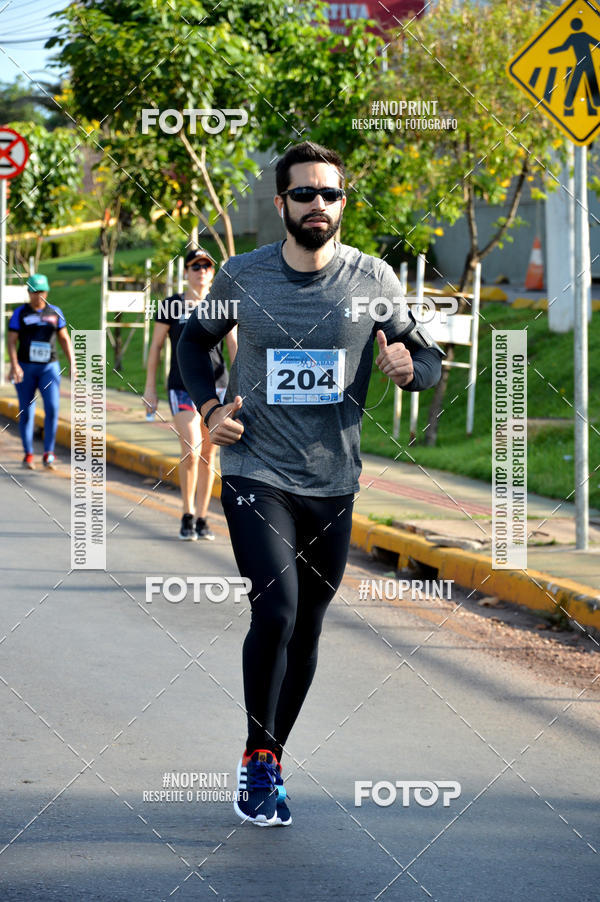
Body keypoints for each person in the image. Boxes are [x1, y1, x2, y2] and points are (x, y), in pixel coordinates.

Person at [177, 141, 444, 826]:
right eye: (304, 194)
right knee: (278, 612)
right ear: (281, 203)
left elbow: (428, 355)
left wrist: (412, 368)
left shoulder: (372, 279)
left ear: (342, 203)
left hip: (333, 481)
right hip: (253, 470)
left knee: (310, 628)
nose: (318, 205)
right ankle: (259, 764)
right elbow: (192, 345)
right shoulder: (244, 276)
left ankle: (271, 752)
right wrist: (210, 411)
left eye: (330, 194)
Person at [144, 247, 237, 540]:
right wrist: (149, 387)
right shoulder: (171, 306)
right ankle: (185, 513)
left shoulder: (221, 305)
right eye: (195, 267)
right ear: (186, 272)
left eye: (207, 267)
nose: (201, 272)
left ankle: (202, 517)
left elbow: (233, 345)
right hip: (182, 386)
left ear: (213, 273)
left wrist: (242, 384)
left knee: (210, 452)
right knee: (192, 448)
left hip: (218, 386)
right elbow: (157, 347)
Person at [8, 273, 75, 470]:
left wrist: (73, 363)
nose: (38, 296)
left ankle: (48, 453)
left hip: (49, 368)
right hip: (26, 368)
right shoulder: (20, 313)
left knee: (52, 409)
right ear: (28, 293)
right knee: (27, 411)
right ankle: (29, 453)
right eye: (34, 292)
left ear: (47, 292)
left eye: (42, 292)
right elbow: (12, 341)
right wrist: (14, 365)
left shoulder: (55, 312)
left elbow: (64, 339)